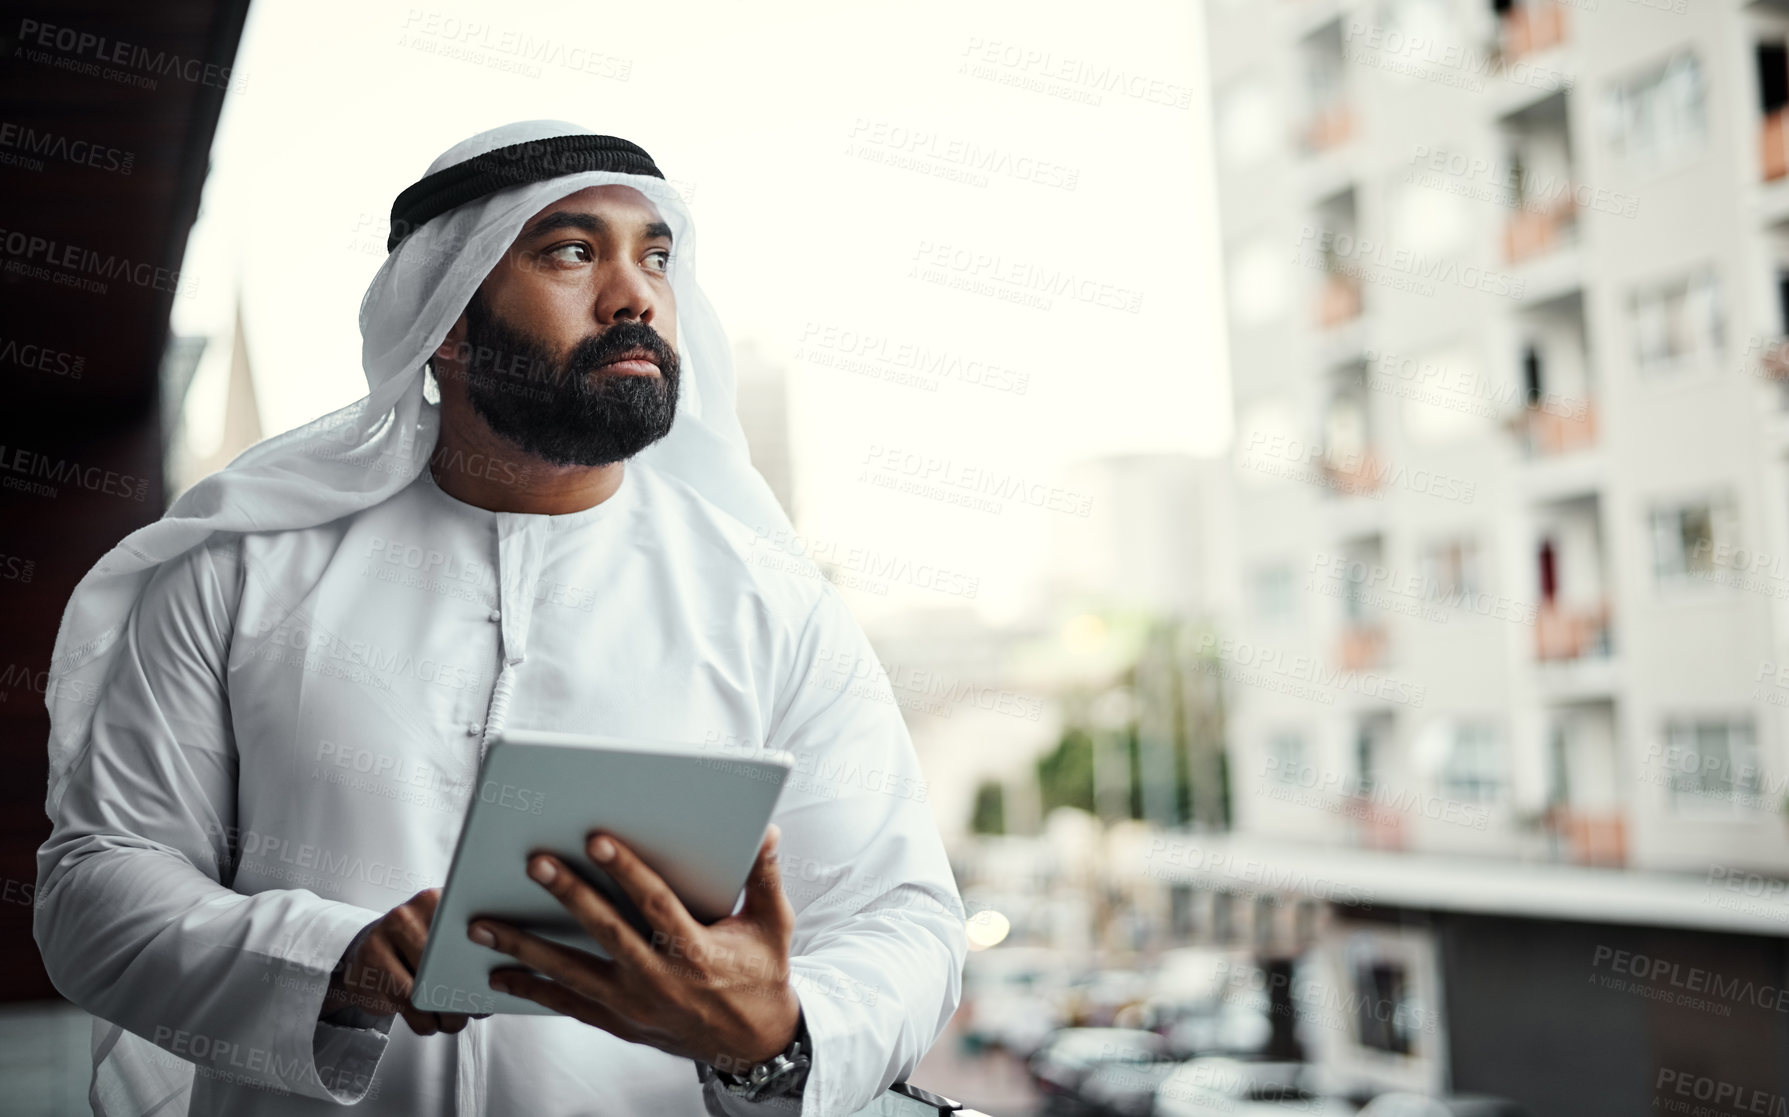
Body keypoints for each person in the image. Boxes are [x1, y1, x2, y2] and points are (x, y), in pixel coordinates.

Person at [33, 121, 967, 1117]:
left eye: (655, 257)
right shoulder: (240, 572)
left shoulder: (769, 603)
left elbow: (901, 915)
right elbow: (96, 889)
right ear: (443, 311)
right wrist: (333, 957)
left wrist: (777, 1032)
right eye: (572, 252)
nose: (635, 294)